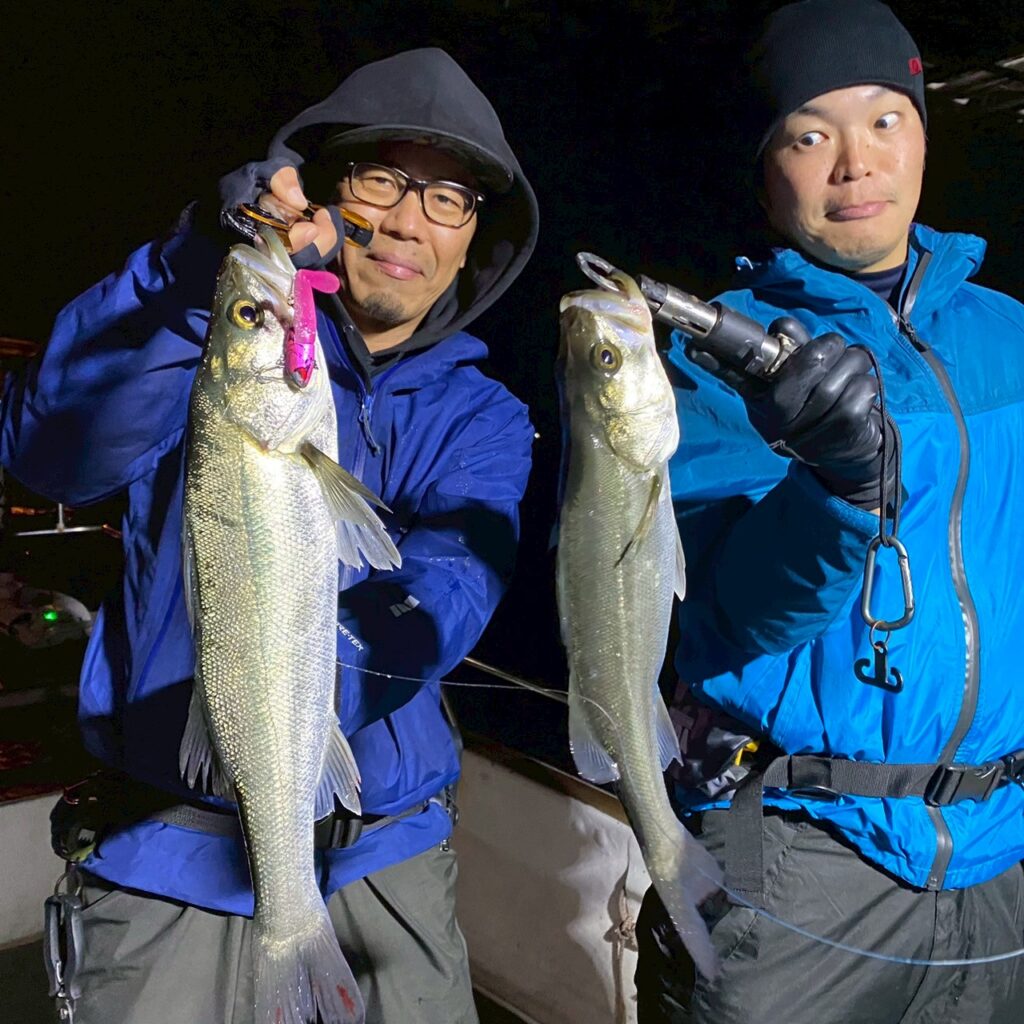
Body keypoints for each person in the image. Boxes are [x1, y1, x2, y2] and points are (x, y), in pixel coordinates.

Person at [0, 47, 537, 1024]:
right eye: (381, 179)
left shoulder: (482, 415)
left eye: (448, 198)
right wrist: (193, 265)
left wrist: (307, 680)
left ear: (473, 240)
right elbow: (50, 452)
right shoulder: (199, 350)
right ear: (326, 193)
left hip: (387, 857)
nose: (408, 220)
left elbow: (454, 579)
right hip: (164, 852)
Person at [633, 3, 1024, 1022]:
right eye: (809, 136)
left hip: (1000, 852)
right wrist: (834, 492)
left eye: (886, 121)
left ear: (925, 136)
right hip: (798, 861)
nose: (856, 164)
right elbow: (721, 617)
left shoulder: (1009, 334)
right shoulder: (712, 362)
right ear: (766, 173)